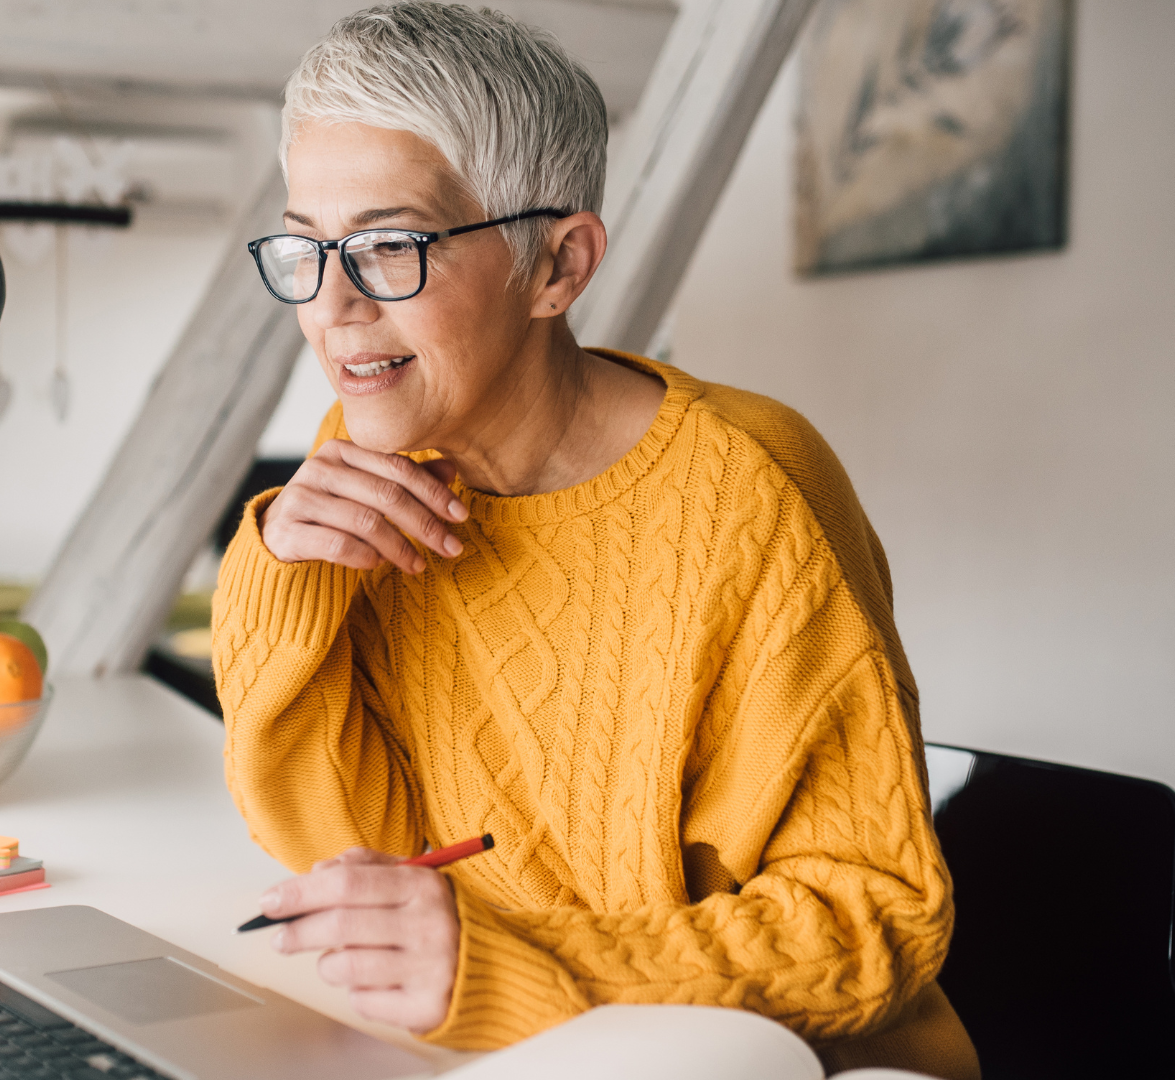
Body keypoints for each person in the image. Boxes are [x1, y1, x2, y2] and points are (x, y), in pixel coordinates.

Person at [210, 4, 981, 1078]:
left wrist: (519, 967)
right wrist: (280, 577)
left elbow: (874, 923)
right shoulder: (381, 459)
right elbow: (347, 848)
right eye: (306, 246)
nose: (331, 306)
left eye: (390, 246)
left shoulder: (752, 489)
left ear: (559, 267)